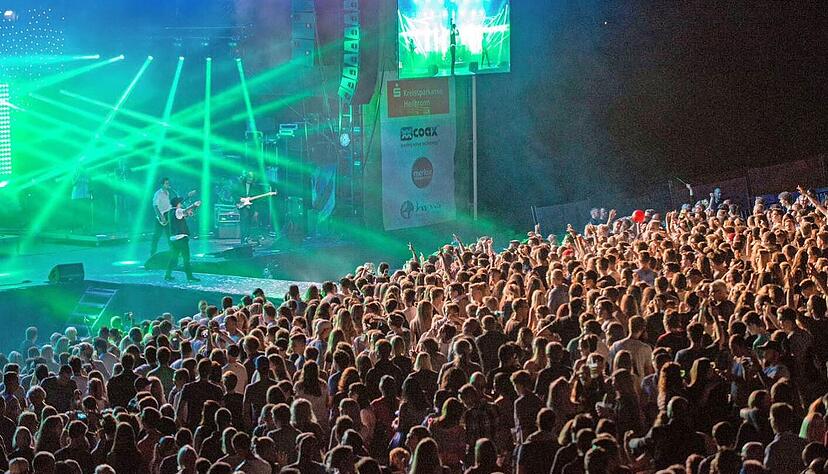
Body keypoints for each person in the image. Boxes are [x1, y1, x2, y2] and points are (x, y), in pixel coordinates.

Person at [164, 196, 201, 282]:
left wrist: (190, 212)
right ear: (177, 204)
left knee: (174, 258)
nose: (181, 204)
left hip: (173, 239)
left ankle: (167, 275)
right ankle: (189, 276)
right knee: (186, 258)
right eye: (180, 203)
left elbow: (185, 214)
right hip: (181, 239)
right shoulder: (178, 210)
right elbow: (184, 211)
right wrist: (194, 205)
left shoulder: (170, 212)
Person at [151, 177, 174, 257]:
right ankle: (152, 253)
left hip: (167, 215)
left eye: (168, 183)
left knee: (169, 235)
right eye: (166, 183)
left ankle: (173, 252)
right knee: (156, 236)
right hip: (160, 217)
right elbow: (155, 206)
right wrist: (161, 217)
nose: (168, 184)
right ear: (162, 184)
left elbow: (168, 205)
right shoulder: (158, 194)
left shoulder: (167, 193)